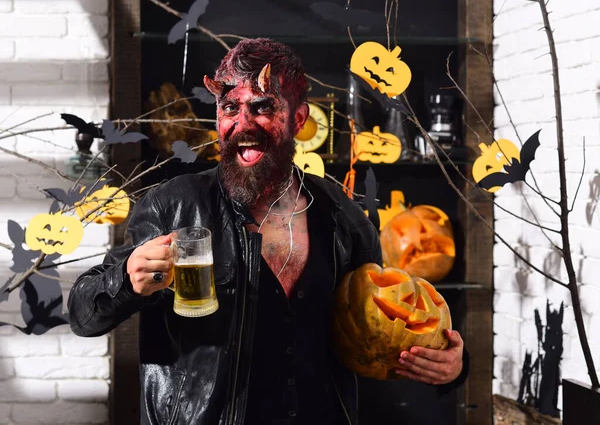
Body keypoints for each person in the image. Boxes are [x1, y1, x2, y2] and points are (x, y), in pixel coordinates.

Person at [68, 38, 468, 425]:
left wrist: (451, 366)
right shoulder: (172, 204)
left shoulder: (343, 215)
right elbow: (83, 314)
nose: (243, 125)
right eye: (229, 108)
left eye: (262, 108)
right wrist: (127, 279)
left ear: (298, 118)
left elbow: (380, 329)